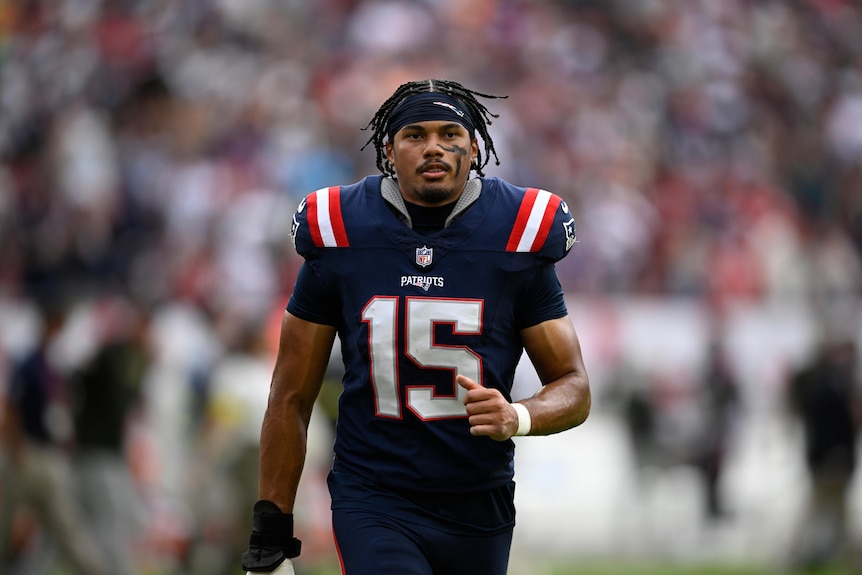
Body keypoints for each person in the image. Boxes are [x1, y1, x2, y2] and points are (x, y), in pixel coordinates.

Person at [240, 78, 591, 575]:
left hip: (478, 497)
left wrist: (518, 415)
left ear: (474, 147)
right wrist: (270, 525)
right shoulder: (340, 229)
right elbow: (290, 393)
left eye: (450, 134)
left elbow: (574, 386)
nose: (434, 148)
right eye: (415, 135)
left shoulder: (520, 232)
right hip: (374, 494)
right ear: (388, 149)